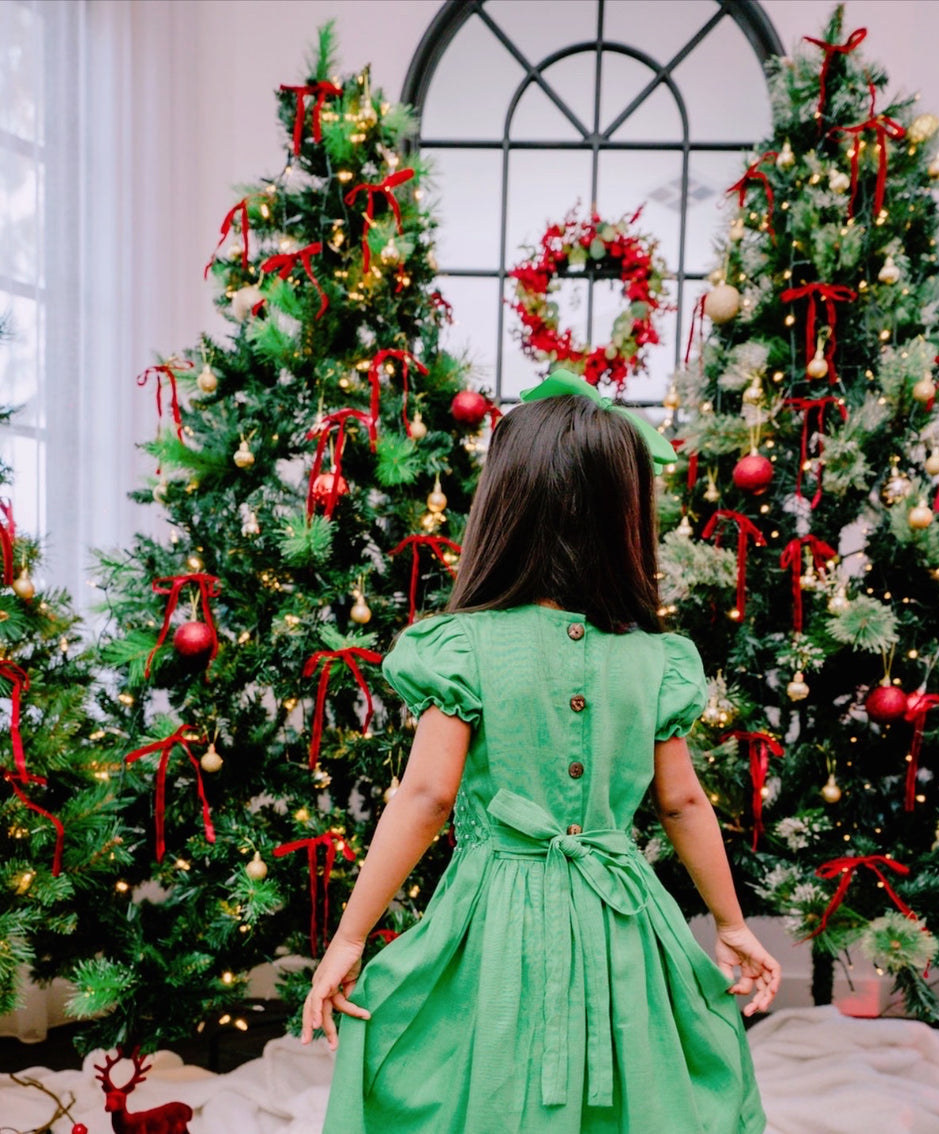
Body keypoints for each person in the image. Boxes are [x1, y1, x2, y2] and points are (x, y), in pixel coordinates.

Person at [304, 369, 780, 1133]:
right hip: (621, 911)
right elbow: (684, 801)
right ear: (627, 518)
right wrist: (729, 923)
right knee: (638, 1079)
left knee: (481, 1065)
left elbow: (425, 797)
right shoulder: (656, 660)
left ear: (504, 506)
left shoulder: (461, 646)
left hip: (496, 913)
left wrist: (351, 936)